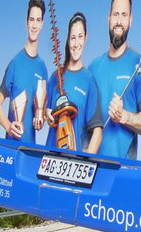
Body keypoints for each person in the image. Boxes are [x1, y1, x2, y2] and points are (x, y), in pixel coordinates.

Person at [88, 0, 141, 159]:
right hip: (88, 167)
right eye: (115, 15)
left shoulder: (139, 65)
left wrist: (124, 116)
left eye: (124, 15)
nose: (119, 21)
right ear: (108, 18)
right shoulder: (92, 67)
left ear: (130, 20)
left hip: (121, 171)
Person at [44, 12, 104, 154]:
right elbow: (41, 110)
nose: (76, 43)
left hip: (74, 164)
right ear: (67, 41)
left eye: (80, 37)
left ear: (86, 38)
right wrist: (46, 113)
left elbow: (97, 132)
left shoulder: (89, 80)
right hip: (49, 159)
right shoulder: (55, 77)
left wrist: (86, 162)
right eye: (72, 38)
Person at [0, 0, 48, 144]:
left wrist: (40, 119)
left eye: (38, 20)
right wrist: (8, 126)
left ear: (42, 24)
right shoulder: (15, 63)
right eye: (31, 20)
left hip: (31, 150)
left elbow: (41, 112)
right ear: (26, 23)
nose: (34, 25)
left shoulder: (42, 68)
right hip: (11, 147)